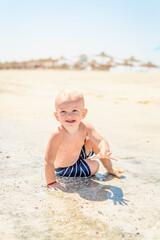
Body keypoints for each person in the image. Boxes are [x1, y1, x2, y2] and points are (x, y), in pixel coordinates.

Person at [45, 90, 123, 190]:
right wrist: (51, 183)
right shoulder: (57, 134)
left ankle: (110, 168)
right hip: (65, 168)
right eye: (63, 112)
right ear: (56, 116)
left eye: (74, 111)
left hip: (77, 155)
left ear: (83, 113)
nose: (69, 115)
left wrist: (103, 150)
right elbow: (48, 160)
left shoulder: (86, 127)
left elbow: (100, 141)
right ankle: (85, 164)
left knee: (91, 141)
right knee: (95, 165)